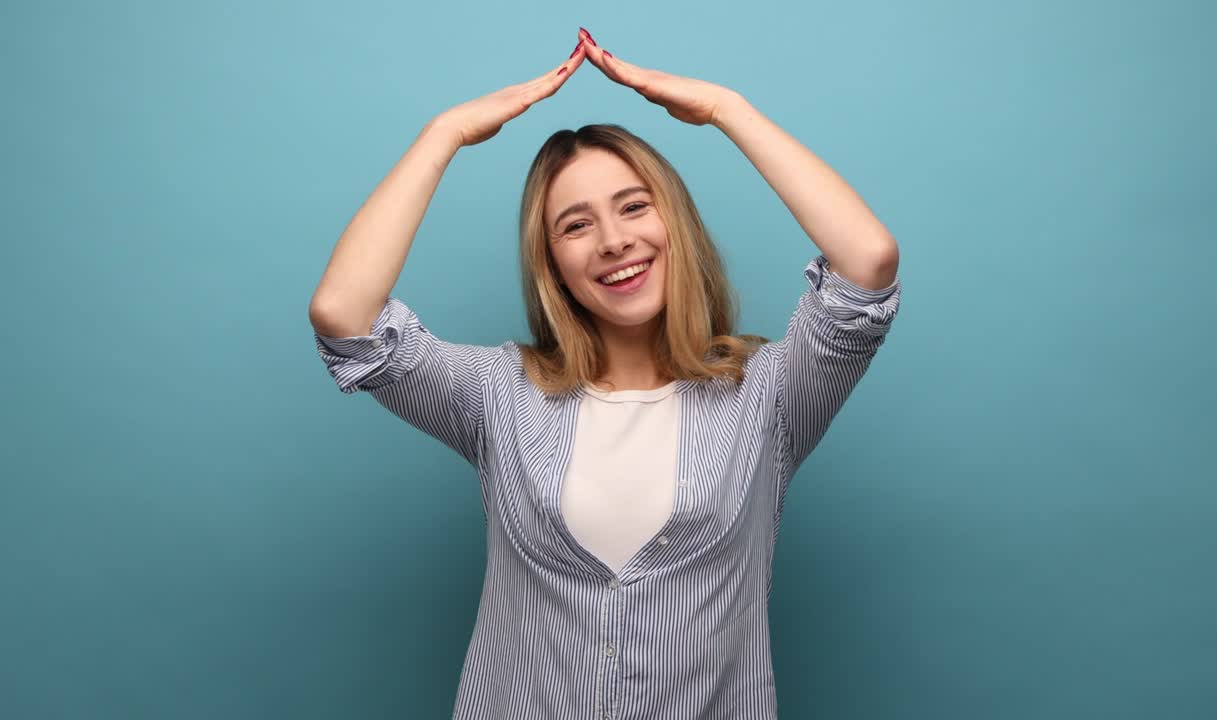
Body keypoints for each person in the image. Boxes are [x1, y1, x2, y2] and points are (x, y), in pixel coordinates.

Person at [309, 27, 901, 720]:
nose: (615, 241)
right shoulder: (497, 397)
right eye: (575, 225)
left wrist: (725, 109)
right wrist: (446, 133)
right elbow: (344, 317)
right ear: (551, 262)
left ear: (673, 222)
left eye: (634, 206)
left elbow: (868, 262)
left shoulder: (767, 397)